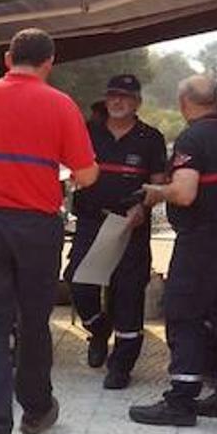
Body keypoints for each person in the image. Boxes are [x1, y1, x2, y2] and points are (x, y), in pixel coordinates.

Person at [0, 28, 99, 434]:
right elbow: (87, 172)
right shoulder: (61, 104)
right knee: (34, 321)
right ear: (49, 63)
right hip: (38, 227)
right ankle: (37, 410)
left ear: (7, 57)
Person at [131, 74, 217, 426]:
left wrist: (157, 192)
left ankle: (181, 400)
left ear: (184, 103)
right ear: (215, 99)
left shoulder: (192, 138)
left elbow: (185, 193)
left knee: (183, 312)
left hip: (201, 240)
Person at [63, 74, 167, 390]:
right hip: (91, 223)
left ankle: (121, 365)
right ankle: (98, 330)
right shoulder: (87, 132)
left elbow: (159, 182)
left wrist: (143, 208)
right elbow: (67, 168)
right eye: (112, 96)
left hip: (129, 226)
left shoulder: (151, 138)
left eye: (124, 96)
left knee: (128, 294)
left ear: (137, 102)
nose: (117, 102)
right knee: (78, 283)